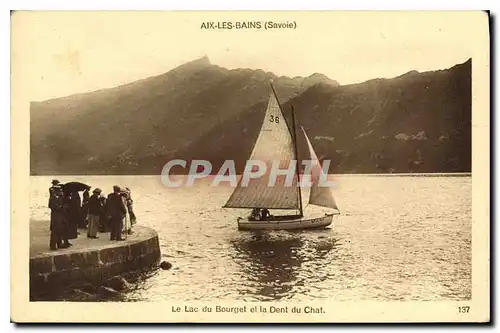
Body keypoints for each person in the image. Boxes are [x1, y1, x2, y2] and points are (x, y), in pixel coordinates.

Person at [48, 185, 66, 250]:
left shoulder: (60, 197)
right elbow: (51, 206)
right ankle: (52, 245)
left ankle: (59, 244)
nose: (60, 192)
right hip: (55, 217)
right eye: (58, 191)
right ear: (55, 191)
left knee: (60, 230)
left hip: (60, 216)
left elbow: (63, 205)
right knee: (55, 231)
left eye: (60, 191)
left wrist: (62, 207)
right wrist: (59, 207)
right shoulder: (52, 198)